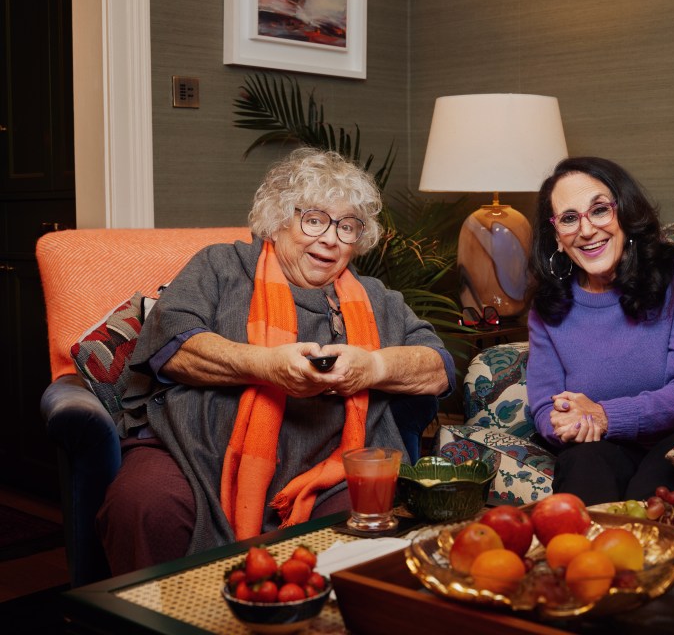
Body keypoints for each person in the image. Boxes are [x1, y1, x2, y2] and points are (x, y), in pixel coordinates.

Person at [97, 148, 455, 574]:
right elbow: (172, 348)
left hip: (330, 469)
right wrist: (265, 366)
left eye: (347, 227)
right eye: (314, 219)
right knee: (144, 503)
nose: (330, 239)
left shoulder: (375, 297)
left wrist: (371, 367)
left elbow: (438, 367)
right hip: (192, 448)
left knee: (369, 521)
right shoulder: (221, 266)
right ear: (278, 218)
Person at [526, 156, 674, 506]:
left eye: (599, 210)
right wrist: (571, 423)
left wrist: (605, 415)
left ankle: (648, 557)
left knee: (655, 491)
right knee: (582, 464)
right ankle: (585, 556)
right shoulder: (548, 305)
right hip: (607, 447)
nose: (586, 230)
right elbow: (543, 406)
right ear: (557, 237)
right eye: (568, 218)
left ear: (624, 212)